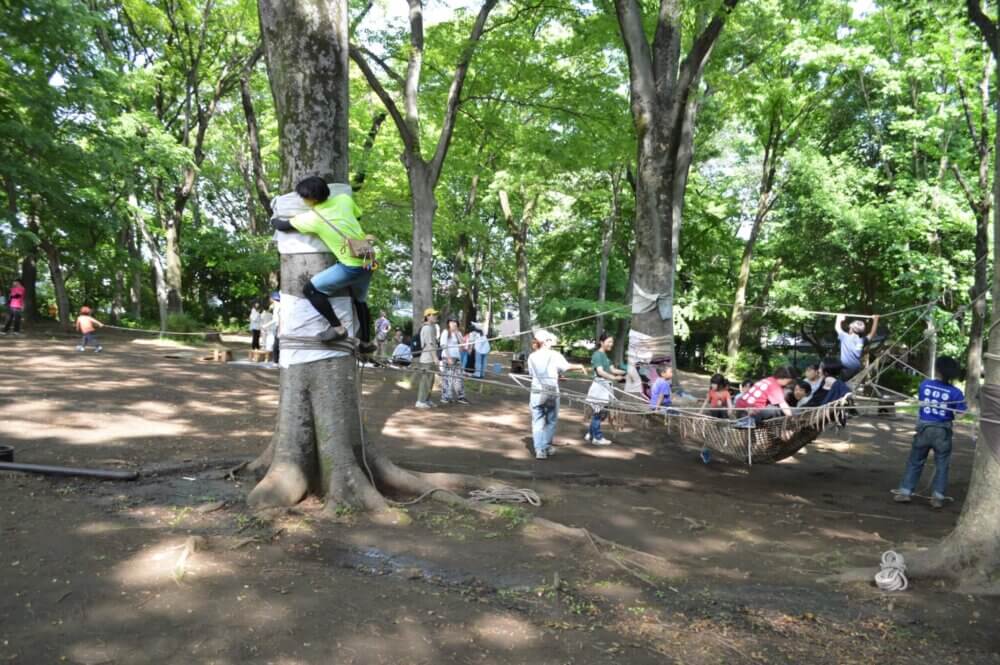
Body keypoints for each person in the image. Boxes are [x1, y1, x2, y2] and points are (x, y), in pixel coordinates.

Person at [270, 177, 377, 353]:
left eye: (303, 198)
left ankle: (337, 328)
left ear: (310, 199)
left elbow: (281, 225)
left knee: (310, 290)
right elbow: (358, 215)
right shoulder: (344, 200)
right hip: (368, 260)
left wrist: (273, 214)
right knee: (360, 301)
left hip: (351, 266)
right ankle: (365, 342)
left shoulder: (312, 218)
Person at [894, 357, 967, 509]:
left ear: (938, 370)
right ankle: (937, 497)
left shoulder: (925, 385)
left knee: (915, 460)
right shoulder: (956, 393)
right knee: (942, 464)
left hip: (924, 429)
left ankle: (905, 491)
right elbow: (961, 415)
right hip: (942, 432)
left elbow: (922, 403)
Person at [528, 329, 585, 460]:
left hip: (536, 391)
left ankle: (540, 450)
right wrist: (580, 366)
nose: (551, 342)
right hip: (551, 391)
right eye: (550, 340)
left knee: (537, 421)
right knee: (551, 420)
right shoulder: (554, 354)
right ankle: (545, 446)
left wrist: (556, 376)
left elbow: (533, 374)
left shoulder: (532, 356)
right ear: (546, 341)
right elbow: (566, 366)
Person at [586, 333, 625, 446]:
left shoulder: (606, 356)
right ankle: (597, 437)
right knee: (599, 412)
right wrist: (614, 378)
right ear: (601, 342)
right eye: (609, 342)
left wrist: (627, 372)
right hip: (600, 387)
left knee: (599, 412)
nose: (611, 344)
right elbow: (600, 371)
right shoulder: (597, 355)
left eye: (612, 342)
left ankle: (591, 434)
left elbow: (613, 370)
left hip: (605, 386)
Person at [733, 367, 798, 427]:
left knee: (773, 408)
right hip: (750, 413)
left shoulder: (768, 380)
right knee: (778, 410)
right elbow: (783, 405)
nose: (789, 383)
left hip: (739, 409)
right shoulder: (775, 386)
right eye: (789, 381)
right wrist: (791, 418)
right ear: (785, 378)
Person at [835, 313, 879, 381]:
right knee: (851, 385)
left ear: (851, 329)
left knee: (841, 386)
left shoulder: (845, 337)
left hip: (846, 368)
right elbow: (872, 333)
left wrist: (839, 318)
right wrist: (876, 319)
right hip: (856, 369)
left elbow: (837, 327)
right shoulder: (862, 340)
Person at [415, 308, 441, 409]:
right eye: (433, 315)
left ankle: (426, 399)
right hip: (427, 359)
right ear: (428, 316)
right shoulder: (427, 328)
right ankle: (420, 401)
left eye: (435, 315)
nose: (435, 316)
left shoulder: (431, 327)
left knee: (431, 380)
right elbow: (429, 345)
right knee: (426, 381)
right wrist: (435, 358)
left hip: (430, 358)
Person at [439, 317, 468, 404]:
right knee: (447, 377)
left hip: (457, 357)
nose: (453, 323)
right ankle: (446, 397)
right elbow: (444, 345)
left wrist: (457, 333)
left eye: (455, 322)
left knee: (459, 378)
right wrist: (448, 358)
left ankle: (461, 397)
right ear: (448, 323)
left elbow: (463, 345)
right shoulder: (445, 332)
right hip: (447, 357)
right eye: (451, 322)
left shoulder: (458, 333)